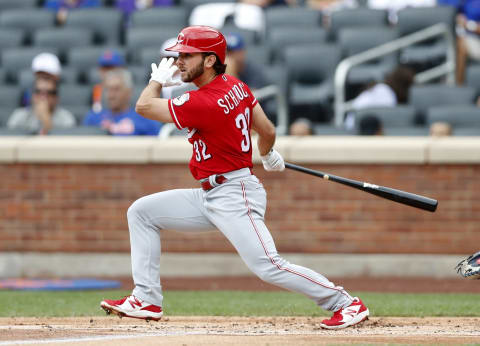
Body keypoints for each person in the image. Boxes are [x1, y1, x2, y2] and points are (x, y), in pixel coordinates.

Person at [100, 25, 369, 330]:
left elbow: (143, 106)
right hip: (210, 193)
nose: (178, 62)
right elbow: (266, 130)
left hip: (233, 193)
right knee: (142, 212)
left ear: (211, 60)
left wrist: (156, 82)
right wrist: (267, 154)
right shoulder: (236, 86)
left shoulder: (203, 101)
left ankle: (345, 303)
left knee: (268, 265)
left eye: (187, 55)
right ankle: (145, 298)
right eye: (179, 55)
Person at [84, 69, 161, 136]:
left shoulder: (145, 119)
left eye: (116, 89)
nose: (111, 95)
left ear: (128, 92)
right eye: (108, 89)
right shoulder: (93, 118)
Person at [344, 65, 415, 131]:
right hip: (357, 129)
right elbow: (387, 121)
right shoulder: (386, 93)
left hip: (354, 127)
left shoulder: (380, 89)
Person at [7, 77, 75, 135]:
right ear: (32, 96)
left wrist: (46, 119)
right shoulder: (19, 115)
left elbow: (67, 145)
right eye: (38, 92)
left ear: (56, 98)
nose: (43, 97)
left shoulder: (66, 118)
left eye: (49, 93)